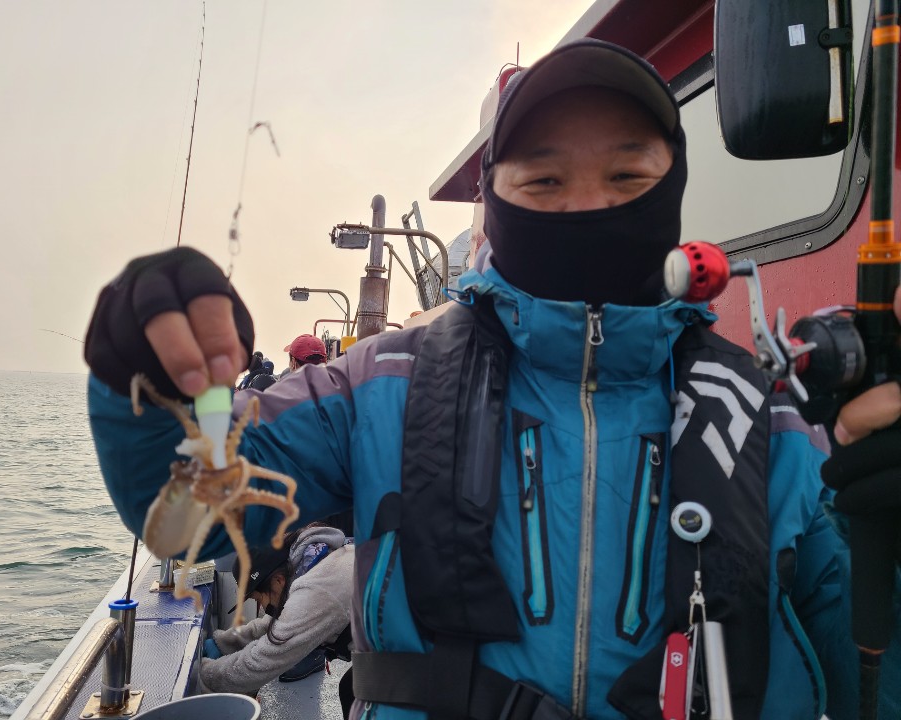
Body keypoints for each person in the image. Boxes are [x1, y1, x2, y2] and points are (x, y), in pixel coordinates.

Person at [84, 38, 901, 719]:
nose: (587, 207)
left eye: (628, 179)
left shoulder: (773, 421)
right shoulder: (378, 386)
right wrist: (142, 382)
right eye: (544, 181)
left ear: (675, 193)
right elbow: (190, 519)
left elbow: (873, 678)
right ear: (495, 203)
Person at [200, 523, 354, 708]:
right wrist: (224, 643)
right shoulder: (314, 562)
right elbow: (279, 621)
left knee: (355, 692)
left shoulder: (318, 590)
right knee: (352, 689)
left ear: (278, 580)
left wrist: (201, 674)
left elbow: (262, 661)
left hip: (388, 654)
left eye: (260, 599)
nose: (264, 608)